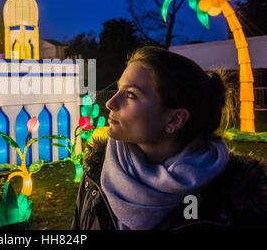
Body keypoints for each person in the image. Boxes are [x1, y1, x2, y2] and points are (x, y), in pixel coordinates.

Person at [72, 46, 267, 230]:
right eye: (119, 89)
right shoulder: (95, 175)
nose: (110, 102)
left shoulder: (238, 201)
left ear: (174, 119)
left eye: (131, 94)